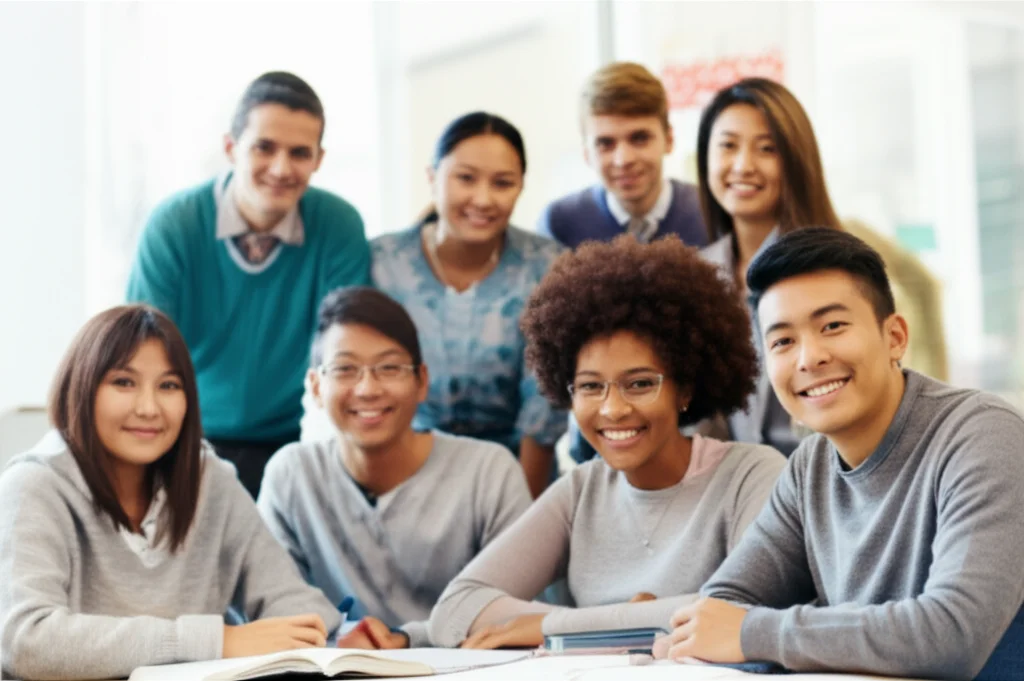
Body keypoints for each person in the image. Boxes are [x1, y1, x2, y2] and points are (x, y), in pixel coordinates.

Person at [654, 228, 1024, 681]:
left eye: (832, 326)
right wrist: (758, 633)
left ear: (895, 337)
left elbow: (953, 635)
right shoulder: (808, 469)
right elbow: (721, 608)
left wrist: (762, 634)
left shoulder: (983, 433)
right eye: (783, 342)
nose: (809, 358)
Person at [424, 235, 786, 650]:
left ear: (685, 389)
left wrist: (548, 629)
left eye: (639, 384)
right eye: (590, 386)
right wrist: (610, 625)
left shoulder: (752, 474)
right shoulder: (581, 491)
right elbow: (454, 612)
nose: (612, 409)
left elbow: (745, 612)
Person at [0, 306, 341, 681]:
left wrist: (338, 633)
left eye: (169, 386)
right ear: (80, 386)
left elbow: (287, 597)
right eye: (124, 382)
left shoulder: (210, 479)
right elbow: (25, 642)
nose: (149, 408)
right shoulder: (34, 484)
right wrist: (214, 640)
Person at [126, 71, 370, 498]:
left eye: (299, 153)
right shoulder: (175, 225)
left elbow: (344, 351)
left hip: (296, 442)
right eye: (264, 147)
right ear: (230, 147)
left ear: (318, 159)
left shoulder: (339, 225)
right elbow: (143, 354)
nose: (281, 168)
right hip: (187, 440)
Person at [258, 287, 532, 647]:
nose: (368, 388)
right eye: (345, 369)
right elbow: (271, 604)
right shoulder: (291, 474)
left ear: (422, 381)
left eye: (389, 367)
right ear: (315, 386)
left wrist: (406, 638)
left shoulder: (490, 472)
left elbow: (512, 614)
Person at [696, 76, 947, 455]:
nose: (743, 165)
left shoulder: (841, 260)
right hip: (733, 491)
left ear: (796, 159)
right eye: (728, 146)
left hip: (835, 480)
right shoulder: (697, 277)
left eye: (767, 148)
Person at [371, 112, 566, 498]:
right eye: (465, 178)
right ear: (432, 177)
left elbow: (542, 414)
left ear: (521, 186)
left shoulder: (549, 267)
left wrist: (518, 522)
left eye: (502, 183)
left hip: (515, 475)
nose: (483, 199)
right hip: (400, 475)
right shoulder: (382, 262)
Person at [537, 62, 706, 250]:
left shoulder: (709, 213)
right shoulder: (559, 224)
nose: (624, 160)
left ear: (668, 140)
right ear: (586, 153)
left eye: (640, 138)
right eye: (605, 143)